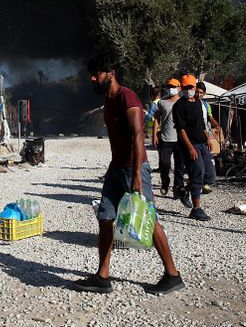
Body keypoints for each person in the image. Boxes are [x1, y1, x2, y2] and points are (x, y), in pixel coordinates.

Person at [72, 56, 183, 295]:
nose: (93, 78)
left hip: (134, 167)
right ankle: (102, 276)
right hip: (116, 167)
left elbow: (138, 135)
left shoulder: (127, 97)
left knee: (149, 218)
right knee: (105, 217)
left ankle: (172, 275)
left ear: (110, 73)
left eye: (97, 73)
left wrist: (136, 175)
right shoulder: (108, 100)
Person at [172, 75, 213, 220]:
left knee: (210, 175)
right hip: (189, 145)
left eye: (191, 87)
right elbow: (181, 129)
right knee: (197, 174)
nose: (190, 90)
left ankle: (183, 190)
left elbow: (201, 123)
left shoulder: (197, 102)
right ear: (182, 89)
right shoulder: (179, 106)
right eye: (186, 88)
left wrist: (207, 138)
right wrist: (190, 148)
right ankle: (196, 209)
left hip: (202, 143)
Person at [153, 78, 183, 197]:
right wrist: (154, 134)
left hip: (180, 139)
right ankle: (165, 182)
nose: (172, 88)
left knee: (179, 166)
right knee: (165, 163)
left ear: (179, 88)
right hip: (165, 138)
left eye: (174, 86)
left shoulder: (182, 102)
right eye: (170, 86)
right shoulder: (162, 102)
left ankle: (178, 188)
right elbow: (157, 118)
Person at [196, 81, 221, 194]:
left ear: (204, 94)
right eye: (197, 92)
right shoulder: (189, 104)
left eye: (201, 92)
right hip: (195, 137)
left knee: (207, 161)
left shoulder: (206, 105)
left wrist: (216, 125)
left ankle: (204, 183)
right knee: (198, 162)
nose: (198, 94)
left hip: (206, 136)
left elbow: (210, 118)